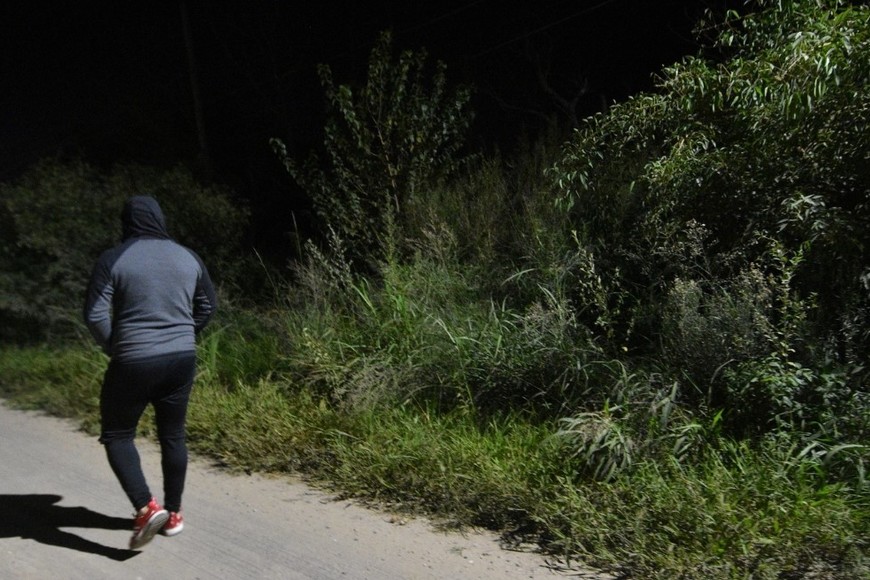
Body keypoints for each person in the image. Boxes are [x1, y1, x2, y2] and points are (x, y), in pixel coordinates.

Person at [83, 195, 217, 549]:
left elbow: (94, 314)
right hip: (181, 359)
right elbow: (208, 306)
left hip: (134, 360)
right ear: (160, 219)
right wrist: (183, 334)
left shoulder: (114, 258)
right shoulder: (188, 257)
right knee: (173, 435)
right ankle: (173, 515)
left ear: (126, 222)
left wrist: (115, 346)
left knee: (117, 434)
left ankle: (146, 509)